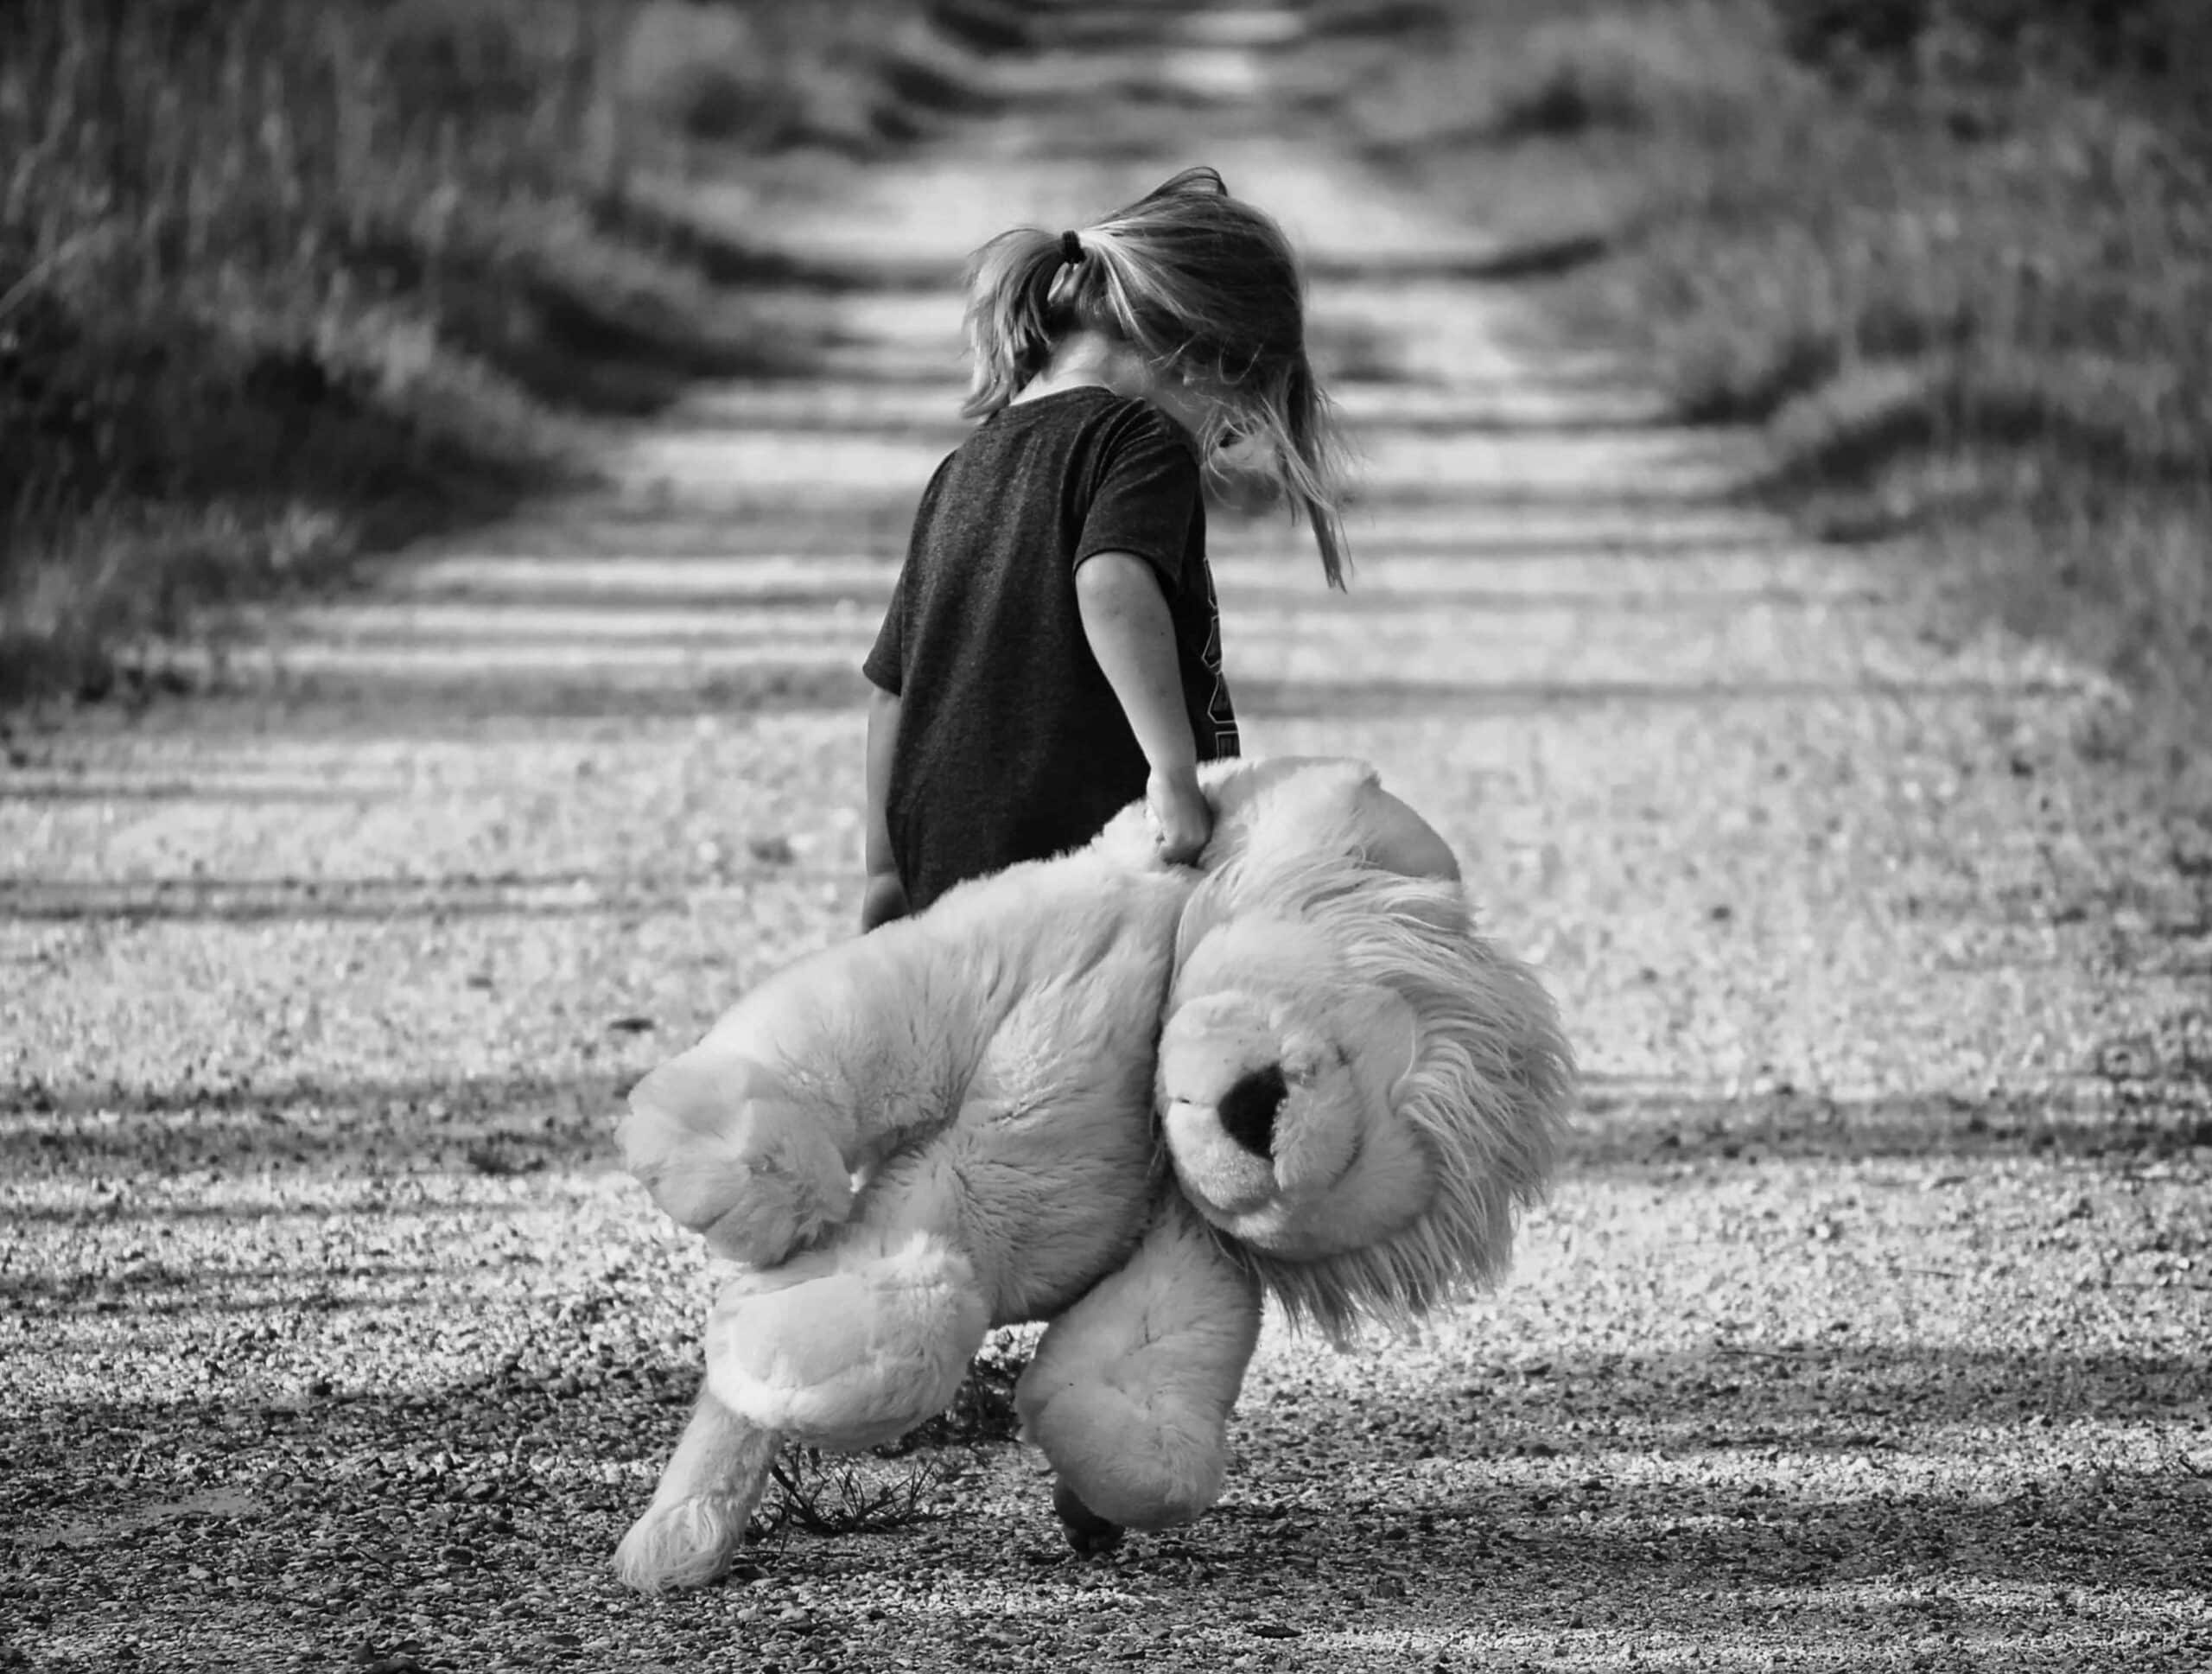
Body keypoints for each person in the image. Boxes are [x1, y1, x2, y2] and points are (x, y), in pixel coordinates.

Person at [859, 165, 1351, 932]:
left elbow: (893, 690)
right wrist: (1173, 773)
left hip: (946, 872)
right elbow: (1111, 584)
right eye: (1232, 417)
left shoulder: (964, 465)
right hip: (1086, 859)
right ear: (1198, 355)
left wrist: (885, 871)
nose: (1220, 440)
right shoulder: (1140, 437)